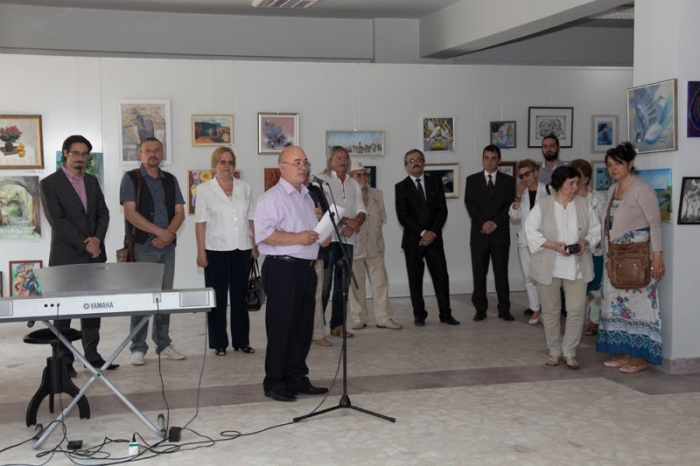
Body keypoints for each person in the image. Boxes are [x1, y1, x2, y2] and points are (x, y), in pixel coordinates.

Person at [254, 146, 331, 402]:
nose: (303, 167)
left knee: (302, 328)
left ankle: (297, 378)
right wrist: (299, 238)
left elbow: (309, 233)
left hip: (307, 269)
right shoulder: (271, 198)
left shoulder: (308, 197)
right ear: (282, 167)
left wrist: (321, 238)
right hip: (282, 269)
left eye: (305, 162)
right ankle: (275, 381)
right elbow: (264, 235)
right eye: (297, 162)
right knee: (281, 327)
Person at [40, 135, 116, 377]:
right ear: (65, 153)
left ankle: (92, 356)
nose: (80, 158)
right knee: (63, 313)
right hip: (66, 257)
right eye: (75, 153)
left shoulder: (92, 181)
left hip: (94, 255)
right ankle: (64, 360)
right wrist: (86, 244)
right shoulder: (49, 184)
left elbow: (103, 213)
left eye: (84, 154)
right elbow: (57, 221)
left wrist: (97, 240)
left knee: (92, 310)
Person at [597, 142, 665, 374]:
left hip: (636, 259)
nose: (613, 168)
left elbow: (655, 223)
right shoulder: (612, 190)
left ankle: (640, 357)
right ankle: (625, 353)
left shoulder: (642, 189)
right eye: (609, 165)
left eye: (618, 163)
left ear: (630, 163)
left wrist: (657, 256)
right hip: (614, 258)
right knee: (616, 307)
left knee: (639, 307)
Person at [525, 166, 601, 369]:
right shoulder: (543, 205)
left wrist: (585, 243)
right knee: (551, 312)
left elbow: (596, 231)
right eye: (571, 183)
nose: (576, 187)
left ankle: (570, 352)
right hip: (548, 267)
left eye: (577, 183)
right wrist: (553, 245)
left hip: (577, 267)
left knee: (576, 310)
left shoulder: (584, 205)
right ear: (559, 184)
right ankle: (554, 351)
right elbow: (530, 232)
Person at [119, 137, 186, 366]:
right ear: (140, 154)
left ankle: (163, 343)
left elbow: (180, 212)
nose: (152, 154)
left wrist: (169, 234)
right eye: (147, 150)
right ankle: (138, 347)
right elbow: (130, 213)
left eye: (157, 150)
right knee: (142, 299)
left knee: (165, 297)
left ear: (162, 153)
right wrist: (161, 232)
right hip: (142, 248)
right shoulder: (131, 179)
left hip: (167, 249)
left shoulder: (171, 180)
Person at [195, 147, 256, 356]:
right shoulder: (204, 189)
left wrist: (254, 245)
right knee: (217, 299)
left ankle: (241, 341)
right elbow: (200, 223)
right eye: (222, 162)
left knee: (240, 298)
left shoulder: (244, 187)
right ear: (214, 165)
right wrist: (201, 252)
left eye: (230, 162)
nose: (226, 166)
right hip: (215, 250)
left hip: (242, 248)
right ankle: (219, 343)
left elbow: (250, 218)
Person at [395, 149, 459, 326]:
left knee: (441, 277)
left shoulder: (435, 182)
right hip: (412, 241)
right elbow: (403, 216)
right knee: (415, 279)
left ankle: (445, 313)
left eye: (418, 159)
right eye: (411, 160)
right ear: (406, 166)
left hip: (435, 239)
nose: (415, 163)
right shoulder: (401, 187)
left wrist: (432, 232)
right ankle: (419, 314)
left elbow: (442, 210)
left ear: (423, 163)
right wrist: (423, 233)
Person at [317, 146, 366, 338]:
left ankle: (337, 325)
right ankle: (316, 328)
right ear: (330, 160)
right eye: (338, 158)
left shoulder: (354, 183)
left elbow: (362, 210)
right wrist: (347, 221)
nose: (343, 161)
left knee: (343, 286)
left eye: (345, 158)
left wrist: (355, 225)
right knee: (324, 286)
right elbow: (324, 208)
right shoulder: (322, 180)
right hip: (329, 239)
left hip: (348, 240)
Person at [349, 161, 401, 330]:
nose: (363, 178)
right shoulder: (346, 196)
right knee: (357, 285)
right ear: (350, 178)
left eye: (365, 174)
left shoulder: (378, 194)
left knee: (380, 284)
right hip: (355, 247)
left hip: (375, 246)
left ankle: (384, 318)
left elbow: (382, 218)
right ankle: (359, 318)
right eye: (358, 175)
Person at [464, 144, 515, 321]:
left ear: (499, 160)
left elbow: (509, 206)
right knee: (479, 274)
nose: (490, 162)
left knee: (501, 274)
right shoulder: (472, 180)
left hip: (500, 235)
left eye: (493, 158)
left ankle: (504, 309)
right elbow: (470, 204)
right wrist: (484, 223)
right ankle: (480, 309)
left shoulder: (508, 181)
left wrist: (494, 223)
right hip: (479, 234)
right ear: (482, 159)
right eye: (486, 158)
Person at [508, 159, 549, 324]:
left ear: (536, 173)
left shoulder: (548, 190)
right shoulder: (522, 193)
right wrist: (518, 195)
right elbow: (513, 215)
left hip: (543, 242)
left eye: (528, 174)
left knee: (544, 277)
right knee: (529, 277)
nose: (525, 178)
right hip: (525, 242)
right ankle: (535, 309)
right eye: (521, 176)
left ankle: (547, 309)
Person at [568, 159, 606, 336]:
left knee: (594, 288)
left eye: (579, 176)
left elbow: (602, 226)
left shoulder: (598, 198)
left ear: (586, 178)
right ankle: (574, 321)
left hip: (595, 250)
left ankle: (593, 321)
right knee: (574, 288)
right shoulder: (568, 197)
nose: (575, 180)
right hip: (573, 251)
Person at [305, 171, 332, 347]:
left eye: (307, 171)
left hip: (317, 251)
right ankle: (299, 334)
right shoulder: (285, 194)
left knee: (317, 294)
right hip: (296, 253)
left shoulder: (316, 191)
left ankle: (316, 333)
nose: (304, 174)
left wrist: (321, 216)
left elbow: (329, 217)